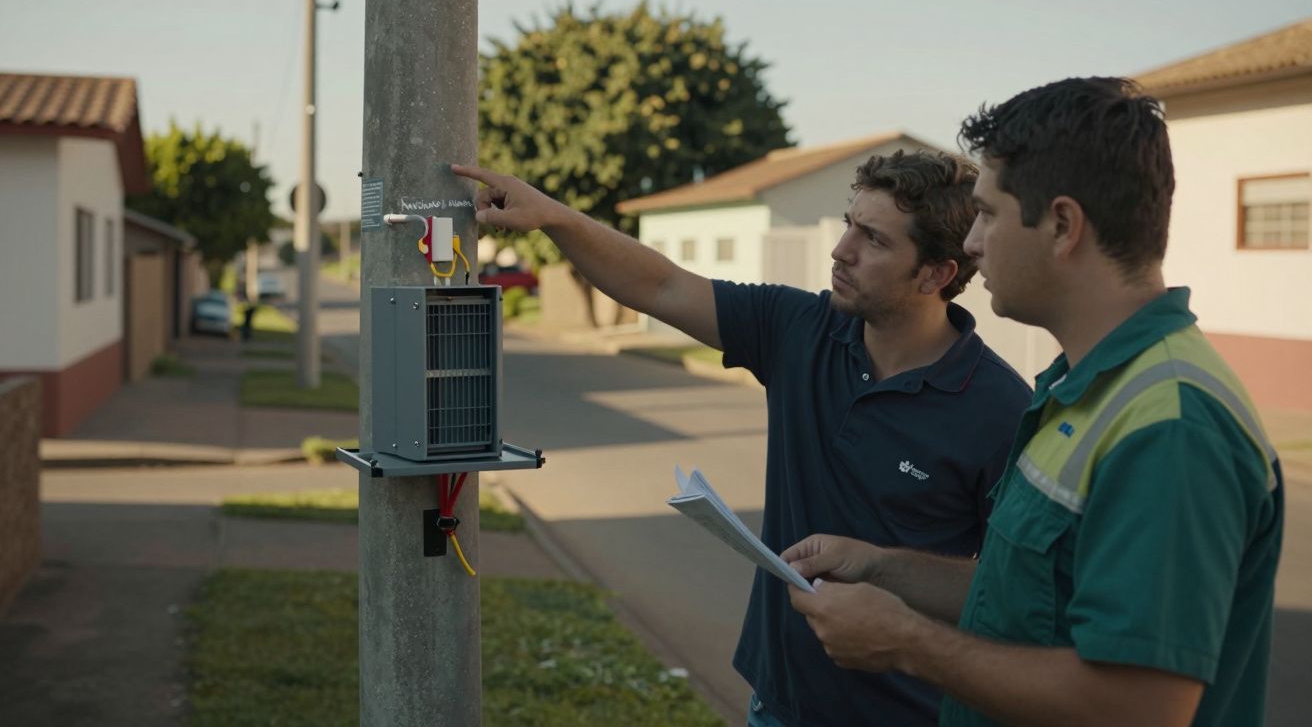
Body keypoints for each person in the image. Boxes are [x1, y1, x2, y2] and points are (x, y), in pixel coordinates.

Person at [454, 150, 1031, 726]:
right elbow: (661, 287)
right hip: (774, 705)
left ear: (936, 274)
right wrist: (556, 217)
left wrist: (881, 569)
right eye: (848, 224)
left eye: (874, 240)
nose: (841, 250)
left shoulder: (1000, 411)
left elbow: (1013, 593)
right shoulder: (800, 328)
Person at [784, 77, 1284, 726]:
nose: (970, 243)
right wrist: (884, 568)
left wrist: (909, 642)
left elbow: (1139, 705)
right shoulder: (1082, 387)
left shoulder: (1172, 424)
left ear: (1062, 226)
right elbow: (1029, 601)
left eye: (989, 213)